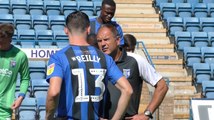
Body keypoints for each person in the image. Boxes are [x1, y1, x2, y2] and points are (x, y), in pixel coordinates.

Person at [45, 11, 133, 120]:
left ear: (66, 30)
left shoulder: (59, 57)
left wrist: (48, 117)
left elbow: (54, 92)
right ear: (88, 29)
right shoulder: (105, 58)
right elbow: (128, 90)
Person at [96, 24, 168, 120]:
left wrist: (147, 113)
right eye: (99, 41)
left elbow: (162, 86)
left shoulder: (135, 60)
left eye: (106, 39)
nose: (103, 44)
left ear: (117, 41)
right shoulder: (96, 62)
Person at [0, 23, 30, 119]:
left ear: (10, 39)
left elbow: (25, 78)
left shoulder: (20, 56)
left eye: (2, 42)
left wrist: (21, 97)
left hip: (5, 109)